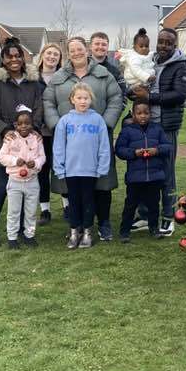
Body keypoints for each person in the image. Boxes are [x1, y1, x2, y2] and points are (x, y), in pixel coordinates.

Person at [43, 36, 123, 241]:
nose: (77, 53)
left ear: (86, 50)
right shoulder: (59, 77)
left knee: (102, 183)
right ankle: (77, 224)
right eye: (72, 50)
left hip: (97, 138)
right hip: (71, 142)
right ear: (68, 53)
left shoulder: (103, 74)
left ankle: (103, 223)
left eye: (80, 49)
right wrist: (56, 125)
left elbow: (116, 98)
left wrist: (106, 123)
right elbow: (48, 102)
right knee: (74, 187)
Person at [0, 37, 44, 249]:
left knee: (26, 189)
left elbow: (39, 107)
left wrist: (33, 128)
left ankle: (22, 230)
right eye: (10, 56)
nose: (15, 60)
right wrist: (5, 129)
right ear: (3, 59)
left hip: (29, 141)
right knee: (2, 187)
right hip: (6, 140)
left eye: (18, 56)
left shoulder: (33, 82)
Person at [132, 27, 186, 236]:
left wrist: (150, 98)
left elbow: (179, 94)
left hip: (165, 128)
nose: (163, 46)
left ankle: (168, 217)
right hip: (145, 126)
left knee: (166, 174)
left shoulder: (180, 67)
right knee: (144, 171)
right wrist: (134, 92)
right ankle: (145, 215)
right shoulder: (149, 60)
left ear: (175, 45)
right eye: (161, 41)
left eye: (168, 43)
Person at [52, 83, 111, 250]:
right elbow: (58, 146)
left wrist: (102, 167)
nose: (83, 101)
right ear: (72, 99)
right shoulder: (65, 121)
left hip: (90, 170)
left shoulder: (97, 120)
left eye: (86, 98)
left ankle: (87, 232)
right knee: (74, 202)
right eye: (79, 98)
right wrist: (59, 167)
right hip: (71, 170)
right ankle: (73, 232)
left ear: (90, 99)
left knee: (88, 201)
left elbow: (104, 145)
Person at [115, 100, 171, 242]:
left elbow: (167, 147)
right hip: (135, 177)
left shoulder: (157, 129)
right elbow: (119, 150)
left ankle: (154, 229)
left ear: (150, 114)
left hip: (154, 177)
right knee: (130, 205)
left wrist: (156, 150)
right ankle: (124, 231)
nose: (143, 116)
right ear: (133, 114)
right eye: (139, 113)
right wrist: (134, 153)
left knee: (153, 205)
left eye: (146, 113)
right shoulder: (127, 131)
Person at [0, 109, 46, 249]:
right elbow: (1, 157)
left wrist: (35, 163)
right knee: (14, 211)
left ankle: (29, 235)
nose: (24, 126)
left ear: (32, 125)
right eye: (20, 124)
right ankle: (12, 238)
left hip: (32, 181)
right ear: (15, 125)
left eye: (27, 123)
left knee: (31, 212)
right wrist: (14, 160)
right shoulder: (10, 138)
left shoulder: (37, 139)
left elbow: (42, 157)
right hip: (14, 181)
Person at [35, 42, 63, 224]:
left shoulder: (63, 77)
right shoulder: (32, 77)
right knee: (42, 171)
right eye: (49, 53)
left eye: (56, 54)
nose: (52, 57)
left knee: (60, 168)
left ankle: (67, 204)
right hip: (39, 132)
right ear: (42, 55)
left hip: (59, 130)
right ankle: (45, 209)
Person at [117, 28, 156, 96]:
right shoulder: (134, 57)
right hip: (135, 83)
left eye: (146, 46)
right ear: (134, 47)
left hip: (145, 82)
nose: (144, 48)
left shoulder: (147, 56)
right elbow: (136, 70)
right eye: (141, 46)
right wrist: (147, 77)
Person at [89, 31, 126, 96]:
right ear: (90, 46)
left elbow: (123, 94)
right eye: (97, 44)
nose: (100, 47)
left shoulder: (115, 71)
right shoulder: (82, 68)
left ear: (107, 47)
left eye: (104, 44)